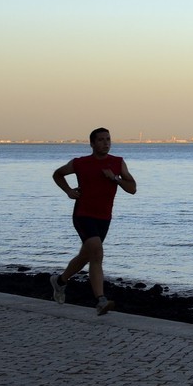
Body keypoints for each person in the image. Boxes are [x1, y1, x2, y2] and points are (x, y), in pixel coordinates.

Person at [48, 127, 137, 314]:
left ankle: (60, 281)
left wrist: (116, 180)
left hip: (104, 217)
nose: (106, 143)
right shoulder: (80, 163)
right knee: (97, 253)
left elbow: (132, 188)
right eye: (101, 140)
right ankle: (101, 300)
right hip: (83, 214)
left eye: (108, 139)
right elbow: (58, 174)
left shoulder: (118, 163)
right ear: (92, 143)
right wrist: (69, 191)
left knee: (87, 255)